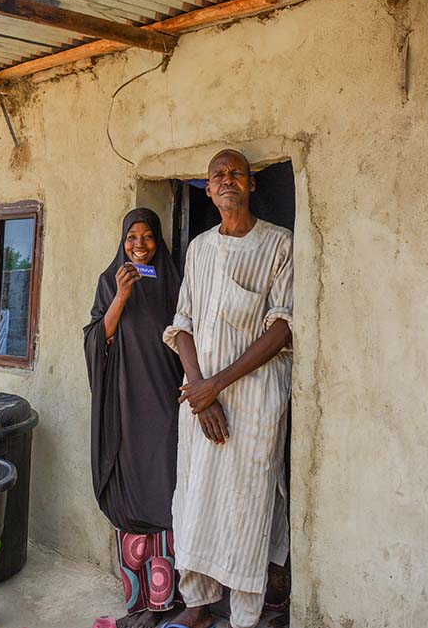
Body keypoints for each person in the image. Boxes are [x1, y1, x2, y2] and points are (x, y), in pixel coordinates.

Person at [162, 149, 293, 628]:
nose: (227, 179)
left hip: (254, 400)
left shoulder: (278, 244)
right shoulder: (198, 249)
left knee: (247, 505)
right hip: (199, 401)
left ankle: (244, 616)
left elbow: (282, 329)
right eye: (217, 175)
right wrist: (199, 391)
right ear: (208, 188)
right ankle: (196, 604)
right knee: (196, 497)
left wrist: (214, 386)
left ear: (252, 184)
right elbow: (183, 324)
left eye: (236, 172)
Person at [84, 208, 185, 628]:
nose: (139, 244)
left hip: (165, 407)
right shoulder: (110, 282)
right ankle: (138, 601)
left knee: (166, 495)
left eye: (147, 237)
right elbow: (95, 339)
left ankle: (167, 601)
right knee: (130, 495)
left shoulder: (174, 283)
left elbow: (190, 333)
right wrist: (122, 296)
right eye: (131, 238)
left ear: (158, 241)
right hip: (124, 408)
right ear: (122, 242)